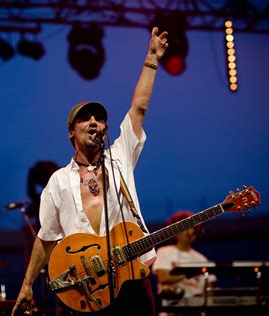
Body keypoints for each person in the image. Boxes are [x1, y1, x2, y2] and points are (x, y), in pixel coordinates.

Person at [11, 26, 169, 316]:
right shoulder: (58, 181)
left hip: (131, 277)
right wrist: (26, 286)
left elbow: (139, 107)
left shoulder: (120, 158)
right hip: (85, 287)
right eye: (85, 118)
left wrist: (152, 58)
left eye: (99, 118)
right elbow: (45, 239)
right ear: (71, 132)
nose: (94, 122)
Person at [152, 211, 216, 315]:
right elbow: (163, 278)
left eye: (193, 228)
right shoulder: (164, 252)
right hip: (171, 310)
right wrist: (190, 274)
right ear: (175, 232)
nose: (190, 231)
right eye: (186, 228)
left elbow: (209, 288)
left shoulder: (201, 259)